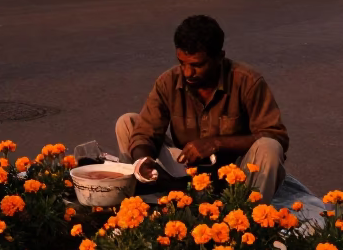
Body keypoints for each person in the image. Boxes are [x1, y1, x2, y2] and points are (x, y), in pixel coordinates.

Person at [116, 15, 288, 203]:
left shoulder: (248, 82)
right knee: (127, 122)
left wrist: (216, 143)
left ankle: (246, 216)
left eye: (197, 65)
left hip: (236, 177)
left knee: (269, 147)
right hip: (186, 174)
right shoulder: (168, 81)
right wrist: (143, 160)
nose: (188, 73)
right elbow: (145, 132)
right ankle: (152, 200)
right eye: (182, 63)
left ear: (219, 58)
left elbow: (276, 135)